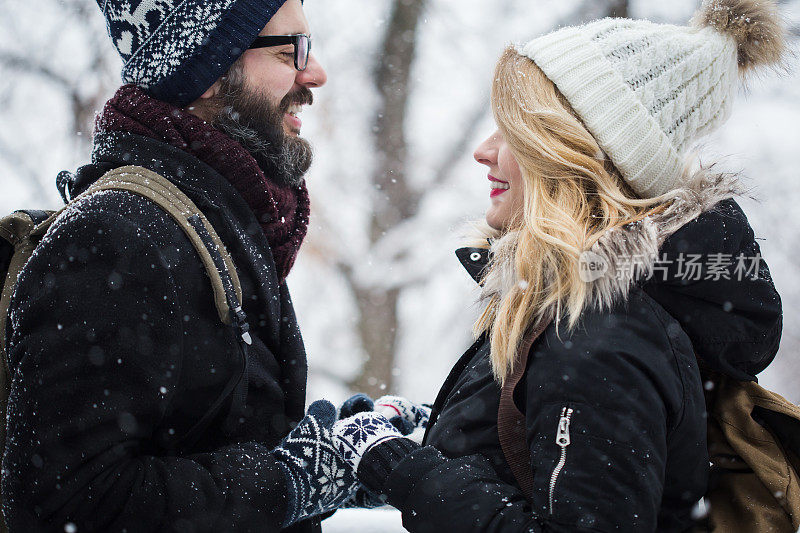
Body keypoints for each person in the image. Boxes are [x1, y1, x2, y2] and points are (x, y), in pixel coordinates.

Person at [328, 0, 787, 531]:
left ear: (570, 158)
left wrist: (408, 472)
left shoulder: (600, 338)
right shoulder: (584, 313)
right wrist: (425, 436)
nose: (483, 151)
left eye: (512, 133)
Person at [1, 0, 368, 531]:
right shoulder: (120, 236)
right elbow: (67, 506)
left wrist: (337, 451)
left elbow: (208, 434)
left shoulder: (218, 226)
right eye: (292, 50)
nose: (316, 72)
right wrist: (286, 482)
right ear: (207, 70)